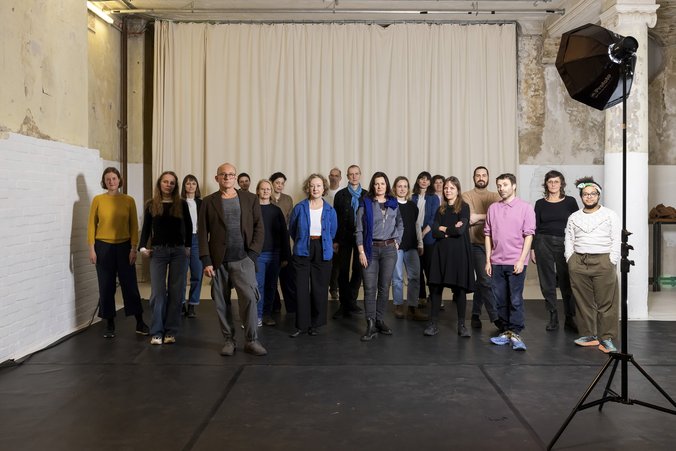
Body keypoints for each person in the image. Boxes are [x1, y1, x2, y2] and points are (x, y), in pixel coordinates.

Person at [199, 163, 267, 356]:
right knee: (221, 303)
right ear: (217, 178)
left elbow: (259, 228)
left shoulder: (250, 199)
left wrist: (252, 255)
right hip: (218, 261)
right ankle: (229, 340)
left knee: (250, 300)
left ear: (235, 177)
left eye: (231, 174)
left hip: (243, 259)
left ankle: (251, 340)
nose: (227, 177)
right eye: (223, 175)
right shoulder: (208, 202)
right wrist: (206, 260)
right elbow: (203, 233)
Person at [87, 167, 148, 338]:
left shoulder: (129, 200)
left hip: (124, 247)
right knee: (106, 286)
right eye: (108, 179)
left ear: (120, 180)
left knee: (130, 286)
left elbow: (134, 226)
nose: (111, 182)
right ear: (104, 181)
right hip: (102, 247)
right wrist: (92, 249)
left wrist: (133, 248)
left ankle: (139, 322)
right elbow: (91, 225)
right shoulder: (98, 200)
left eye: (114, 178)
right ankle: (109, 324)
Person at [565, 177, 620, 354]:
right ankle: (589, 335)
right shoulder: (574, 217)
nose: (589, 197)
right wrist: (569, 258)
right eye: (585, 194)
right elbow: (569, 238)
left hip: (603, 260)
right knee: (583, 301)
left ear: (598, 195)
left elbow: (616, 239)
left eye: (592, 194)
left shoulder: (610, 215)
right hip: (578, 261)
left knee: (606, 302)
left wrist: (612, 259)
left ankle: (606, 338)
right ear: (581, 197)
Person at [139, 171, 192, 345]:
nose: (168, 185)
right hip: (158, 252)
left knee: (176, 293)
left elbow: (189, 226)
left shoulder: (182, 204)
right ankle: (156, 331)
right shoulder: (151, 204)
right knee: (158, 294)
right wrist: (142, 247)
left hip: (178, 252)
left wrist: (188, 247)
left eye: (171, 183)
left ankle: (171, 331)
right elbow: (146, 228)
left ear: (175, 185)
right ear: (159, 183)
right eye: (165, 182)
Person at [485, 173, 535, 351]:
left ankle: (515, 332)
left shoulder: (526, 208)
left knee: (515, 299)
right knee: (500, 298)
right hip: (497, 261)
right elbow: (488, 235)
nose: (501, 188)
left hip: (516, 261)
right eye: (499, 185)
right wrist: (488, 261)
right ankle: (505, 331)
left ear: (513, 186)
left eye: (505, 185)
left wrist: (522, 260)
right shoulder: (493, 208)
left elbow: (529, 235)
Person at [288, 174, 338, 337]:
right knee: (301, 288)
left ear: (324, 188)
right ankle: (301, 325)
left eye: (318, 185)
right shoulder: (299, 207)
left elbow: (332, 232)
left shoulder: (330, 210)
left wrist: (322, 243)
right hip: (303, 248)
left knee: (319, 288)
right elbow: (293, 230)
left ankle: (315, 324)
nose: (315, 189)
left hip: (322, 249)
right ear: (307, 188)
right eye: (312, 185)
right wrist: (303, 241)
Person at [356, 172, 403, 341]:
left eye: (382, 183)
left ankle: (379, 320)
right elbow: (359, 229)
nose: (379, 186)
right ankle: (370, 324)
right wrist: (361, 251)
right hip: (370, 249)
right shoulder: (365, 203)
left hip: (389, 250)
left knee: (384, 287)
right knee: (369, 288)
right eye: (376, 184)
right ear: (372, 186)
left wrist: (397, 241)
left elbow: (400, 223)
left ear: (386, 185)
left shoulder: (393, 203)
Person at [425, 177, 475, 337]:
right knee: (436, 288)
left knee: (459, 289)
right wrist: (449, 229)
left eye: (452, 188)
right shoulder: (441, 209)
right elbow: (434, 231)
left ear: (457, 190)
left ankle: (461, 325)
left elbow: (460, 231)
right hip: (441, 252)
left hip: (459, 253)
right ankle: (433, 324)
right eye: (446, 188)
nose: (448, 190)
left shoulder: (464, 207)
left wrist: (443, 229)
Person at [531, 170, 579, 332]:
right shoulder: (540, 203)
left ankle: (570, 317)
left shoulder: (570, 202)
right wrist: (532, 249)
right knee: (547, 281)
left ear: (561, 184)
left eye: (556, 182)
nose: (553, 184)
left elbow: (577, 224)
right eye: (550, 182)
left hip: (565, 242)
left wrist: (576, 246)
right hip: (542, 242)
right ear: (546, 184)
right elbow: (535, 227)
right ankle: (552, 316)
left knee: (567, 281)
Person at [462, 166, 501, 329]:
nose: (481, 178)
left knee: (482, 281)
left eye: (484, 175)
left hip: (494, 245)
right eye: (478, 175)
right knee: (485, 280)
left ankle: (475, 314)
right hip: (475, 244)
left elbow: (502, 216)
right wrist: (492, 215)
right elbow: (470, 219)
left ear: (488, 177)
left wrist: (479, 217)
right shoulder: (466, 195)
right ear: (473, 177)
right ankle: (496, 318)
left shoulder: (496, 195)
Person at [391, 176, 427, 321]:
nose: (402, 188)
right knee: (398, 277)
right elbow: (389, 226)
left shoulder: (413, 206)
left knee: (415, 277)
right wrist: (393, 241)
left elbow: (417, 225)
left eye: (405, 186)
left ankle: (413, 307)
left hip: (412, 246)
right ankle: (399, 305)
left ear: (408, 189)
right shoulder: (391, 204)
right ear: (395, 188)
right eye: (399, 186)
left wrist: (420, 243)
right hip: (397, 246)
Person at [332, 165, 366, 318]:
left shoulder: (366, 195)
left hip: (362, 238)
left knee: (359, 269)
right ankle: (344, 304)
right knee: (343, 270)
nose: (354, 176)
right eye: (351, 174)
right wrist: (335, 240)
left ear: (360, 175)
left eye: (356, 174)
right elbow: (336, 219)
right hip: (344, 237)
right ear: (347, 176)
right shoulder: (340, 195)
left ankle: (351, 301)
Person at [255, 179, 290, 327]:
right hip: (258, 254)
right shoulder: (253, 209)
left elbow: (284, 234)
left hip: (275, 254)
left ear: (271, 191)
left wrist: (285, 255)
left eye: (268, 189)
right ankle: (256, 316)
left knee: (270, 286)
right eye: (262, 189)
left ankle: (267, 314)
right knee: (258, 286)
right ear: (257, 191)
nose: (265, 191)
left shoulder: (276, 211)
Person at [411, 171, 440, 307]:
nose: (424, 181)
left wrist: (421, 234)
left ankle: (434, 296)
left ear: (429, 182)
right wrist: (415, 236)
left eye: (427, 179)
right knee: (418, 268)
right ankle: (421, 296)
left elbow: (433, 218)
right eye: (421, 179)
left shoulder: (434, 198)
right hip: (414, 235)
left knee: (429, 268)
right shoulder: (413, 197)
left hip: (428, 237)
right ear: (418, 181)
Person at [270, 171, 296, 314]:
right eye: (277, 183)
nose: (279, 185)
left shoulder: (287, 199)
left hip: (284, 239)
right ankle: (275, 305)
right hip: (270, 239)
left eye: (282, 183)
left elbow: (291, 220)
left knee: (287, 276)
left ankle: (291, 306)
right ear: (271, 183)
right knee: (272, 276)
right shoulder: (266, 196)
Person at [180, 174, 203, 318]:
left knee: (197, 274)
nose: (191, 186)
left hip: (197, 240)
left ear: (196, 186)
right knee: (181, 275)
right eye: (188, 184)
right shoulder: (179, 202)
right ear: (184, 186)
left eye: (193, 183)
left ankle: (193, 304)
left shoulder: (201, 203)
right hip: (182, 241)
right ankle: (181, 303)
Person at [326, 167, 342, 301]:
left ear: (340, 178)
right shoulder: (324, 193)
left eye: (336, 175)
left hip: (338, 231)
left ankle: (334, 288)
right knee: (326, 262)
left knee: (337, 263)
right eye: (332, 175)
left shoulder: (342, 193)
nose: (334, 177)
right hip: (324, 231)